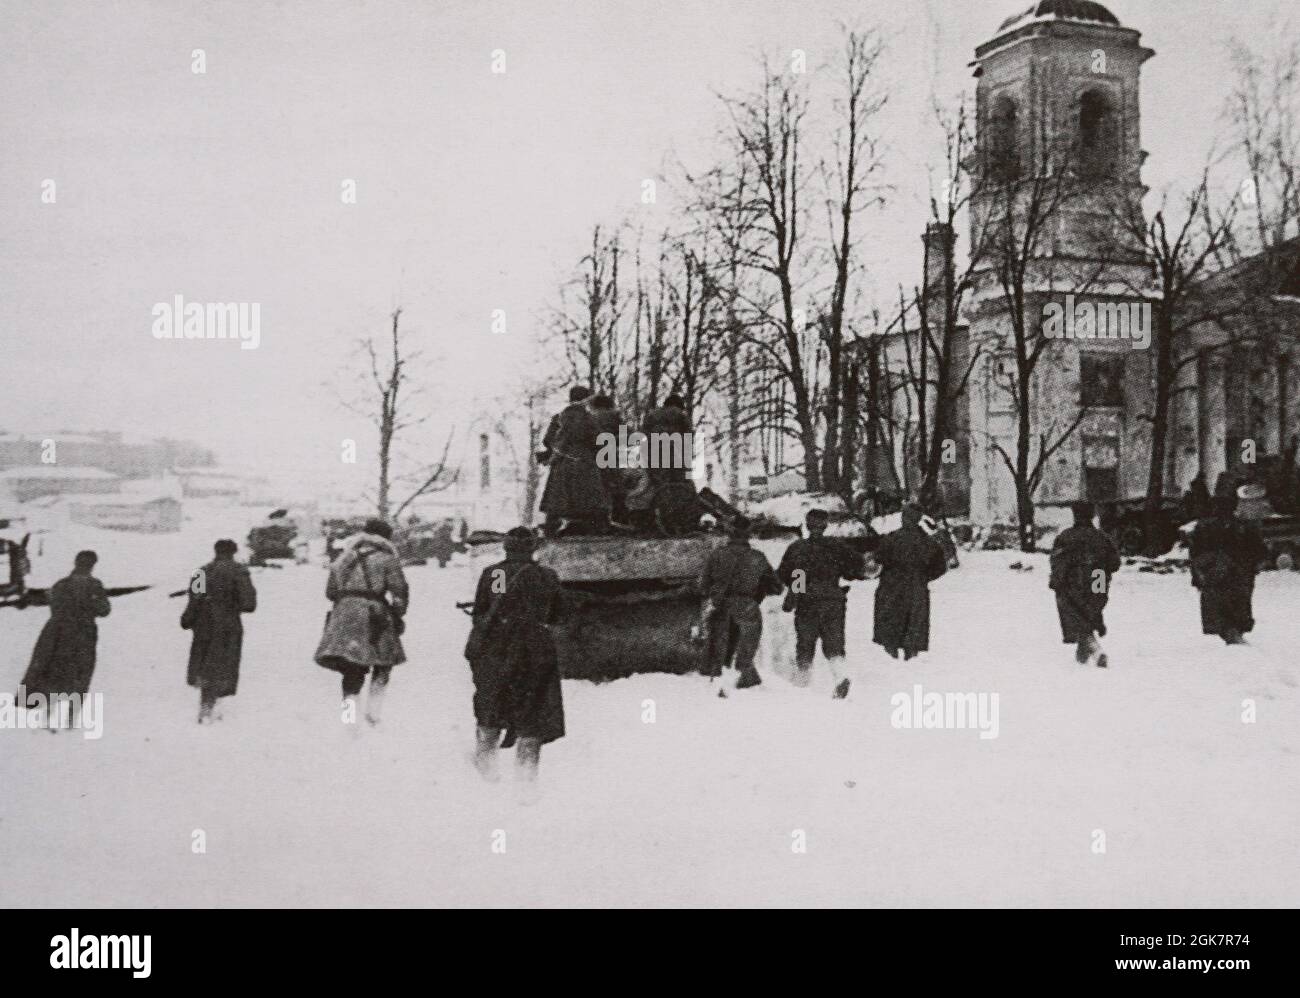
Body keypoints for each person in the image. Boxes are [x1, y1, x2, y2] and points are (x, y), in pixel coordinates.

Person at [465, 526, 568, 799]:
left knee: (492, 703)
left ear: (506, 548)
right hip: (535, 649)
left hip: (498, 647)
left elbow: (489, 607)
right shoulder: (546, 576)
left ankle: (485, 768)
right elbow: (559, 616)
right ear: (533, 549)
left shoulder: (496, 574)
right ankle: (525, 783)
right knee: (533, 711)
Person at [314, 518, 409, 726]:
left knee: (351, 669)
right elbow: (399, 591)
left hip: (344, 615)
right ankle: (373, 714)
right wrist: (398, 614)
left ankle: (348, 717)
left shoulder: (343, 558)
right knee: (383, 663)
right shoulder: (387, 559)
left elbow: (330, 593)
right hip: (374, 615)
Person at [17, 550, 110, 731]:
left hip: (56, 635)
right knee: (80, 675)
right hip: (82, 636)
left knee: (54, 673)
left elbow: (54, 607)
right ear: (92, 565)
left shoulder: (60, 584)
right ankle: (69, 719)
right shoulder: (95, 585)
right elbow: (104, 610)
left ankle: (47, 716)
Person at [777, 508, 864, 698]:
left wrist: (794, 595)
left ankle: (803, 684)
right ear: (825, 526)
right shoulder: (838, 546)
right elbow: (855, 569)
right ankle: (841, 677)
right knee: (834, 643)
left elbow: (791, 575)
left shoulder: (798, 548)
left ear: (807, 526)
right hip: (833, 599)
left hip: (808, 602)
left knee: (805, 643)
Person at [698, 517, 783, 693]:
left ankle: (721, 684)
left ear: (729, 533)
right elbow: (776, 587)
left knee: (720, 650)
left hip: (721, 607)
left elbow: (703, 586)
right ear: (748, 535)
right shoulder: (758, 558)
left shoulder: (717, 555)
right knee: (745, 652)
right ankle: (740, 683)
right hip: (748, 608)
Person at [181, 539, 257, 723]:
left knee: (205, 664)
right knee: (224, 664)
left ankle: (206, 705)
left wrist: (187, 619)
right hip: (228, 625)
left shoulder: (202, 572)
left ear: (215, 551)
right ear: (234, 552)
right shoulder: (240, 572)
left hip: (204, 625)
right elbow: (249, 604)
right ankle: (216, 706)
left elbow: (194, 600)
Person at [1189, 492, 1269, 645]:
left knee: (1217, 609)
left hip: (1213, 575)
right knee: (1238, 608)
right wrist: (1253, 565)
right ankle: (1235, 634)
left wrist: (1197, 577)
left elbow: (1195, 553)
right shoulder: (1242, 525)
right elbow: (1258, 549)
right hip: (1239, 574)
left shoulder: (1203, 526)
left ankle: (1230, 634)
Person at [1049, 503, 1121, 668]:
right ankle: (1082, 656)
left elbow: (1059, 563)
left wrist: (1057, 582)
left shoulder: (1066, 537)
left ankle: (1096, 650)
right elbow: (1115, 563)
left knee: (1076, 614)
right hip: (1099, 577)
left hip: (1076, 581)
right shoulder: (1102, 537)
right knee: (1092, 611)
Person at [872, 504, 948, 660]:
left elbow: (877, 560)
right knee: (914, 625)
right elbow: (940, 567)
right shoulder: (928, 543)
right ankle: (911, 659)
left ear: (903, 518)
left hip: (891, 587)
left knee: (891, 625)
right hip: (916, 587)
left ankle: (891, 658)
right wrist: (924, 577)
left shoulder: (891, 539)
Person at [538, 386, 609, 535]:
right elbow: (600, 440)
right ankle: (593, 529)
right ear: (585, 400)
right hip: (584, 461)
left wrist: (557, 448)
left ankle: (551, 527)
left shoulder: (558, 418)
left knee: (557, 498)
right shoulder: (589, 418)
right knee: (590, 497)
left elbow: (547, 440)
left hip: (562, 461)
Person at [589, 393, 628, 527]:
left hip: (593, 456)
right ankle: (619, 518)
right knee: (616, 485)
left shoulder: (590, 416)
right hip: (610, 453)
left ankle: (597, 520)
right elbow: (625, 435)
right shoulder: (615, 415)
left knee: (598, 487)